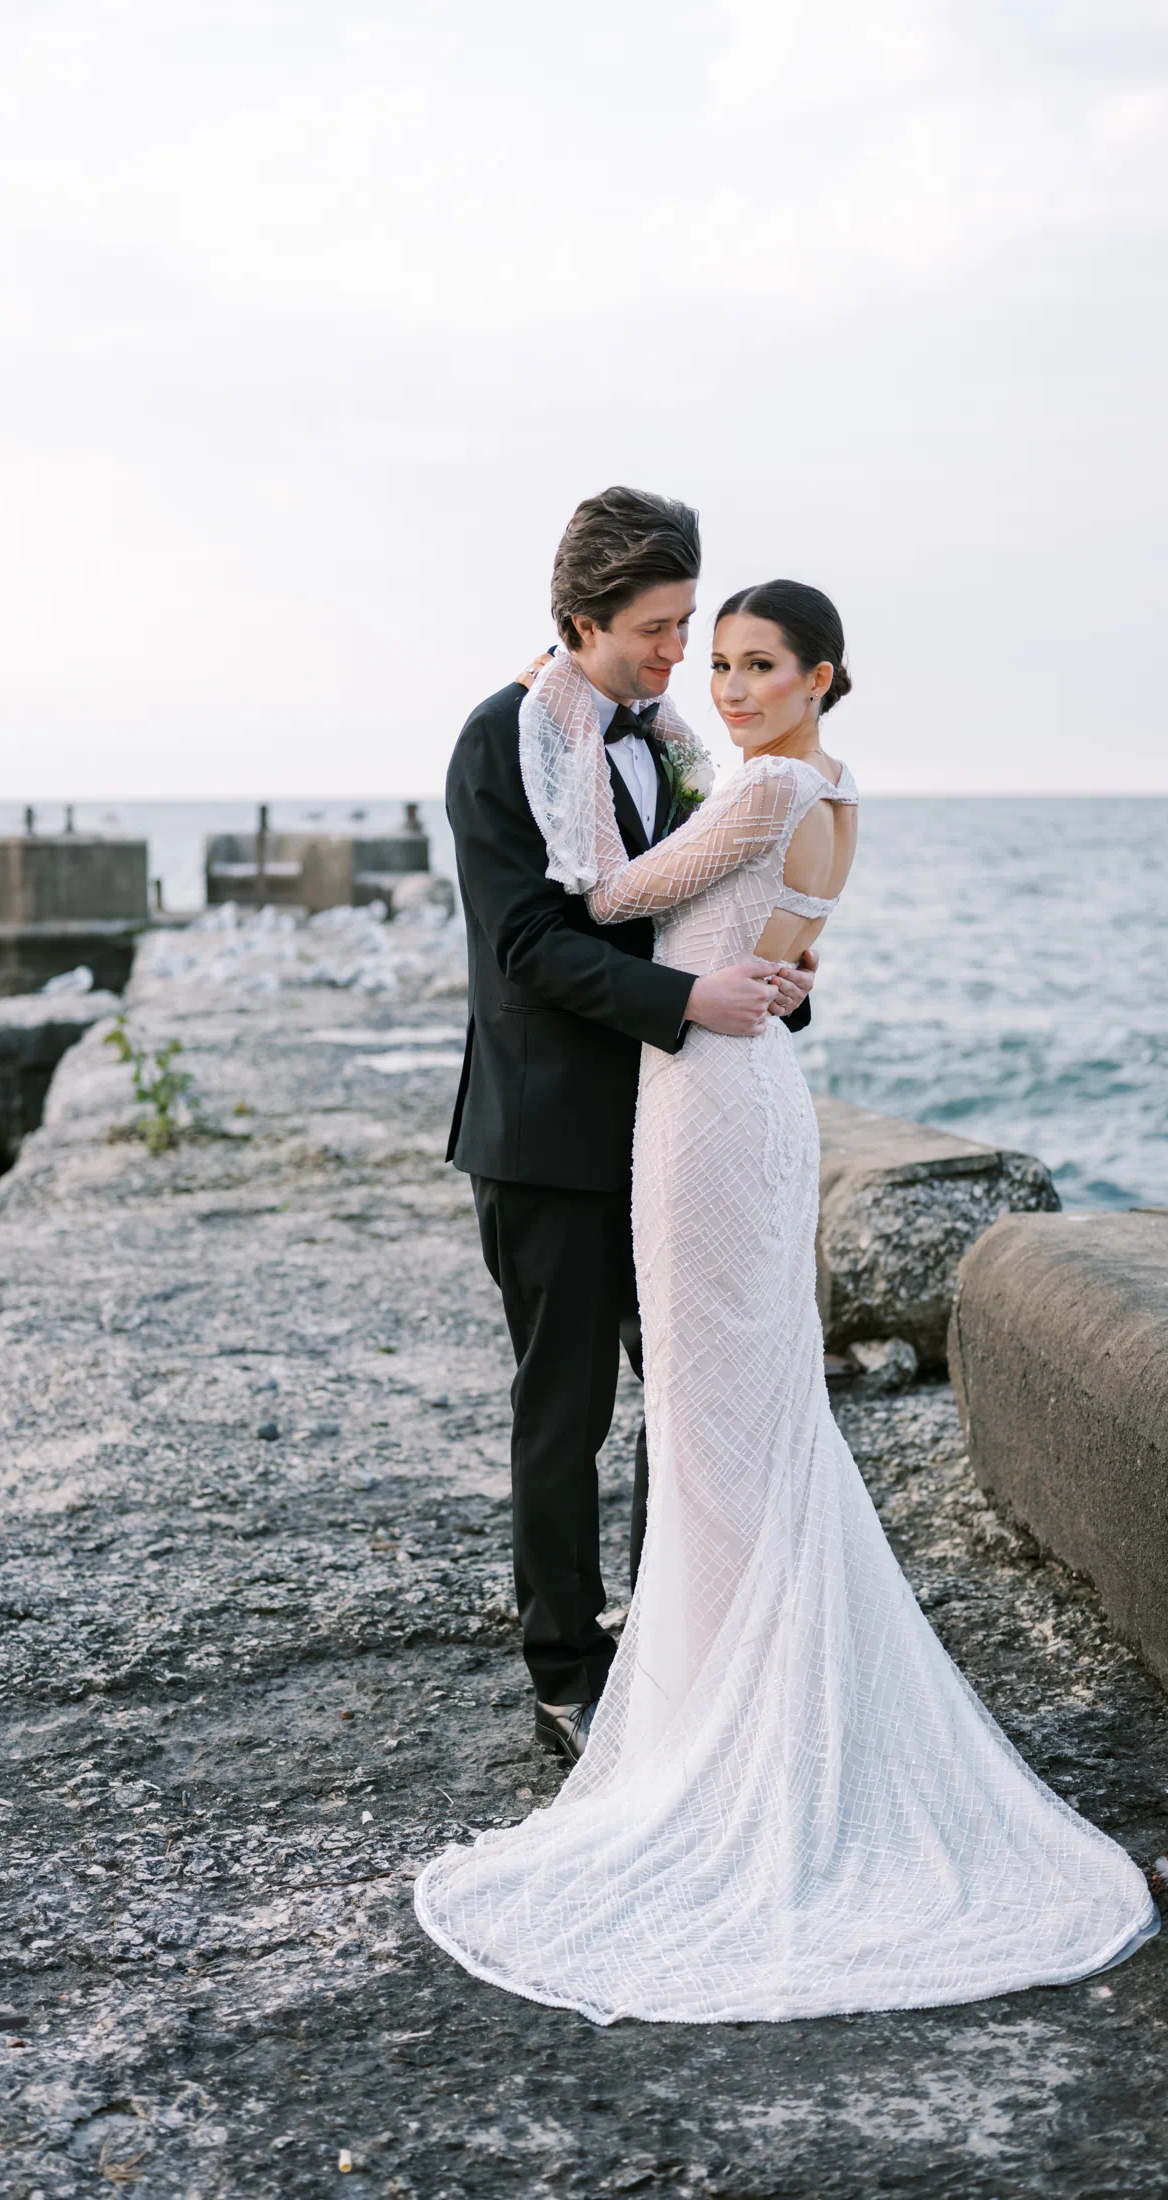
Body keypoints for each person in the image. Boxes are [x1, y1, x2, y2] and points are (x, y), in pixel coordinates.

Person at [416, 580, 1158, 2024]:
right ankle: (610, 1672)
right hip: (649, 1119)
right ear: (584, 616)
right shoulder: (732, 770)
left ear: (820, 673)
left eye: (741, 652)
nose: (708, 669)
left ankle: (718, 1699)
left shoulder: (735, 774)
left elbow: (619, 901)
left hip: (702, 1114)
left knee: (710, 1406)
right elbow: (643, 942)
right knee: (654, 1409)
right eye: (689, 638)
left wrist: (718, 939)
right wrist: (732, 965)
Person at [443, 487, 815, 1765]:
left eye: (687, 626)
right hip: (548, 1140)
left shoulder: (666, 746)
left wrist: (769, 985)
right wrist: (686, 997)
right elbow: (528, 944)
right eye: (656, 630)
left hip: (676, 1130)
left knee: (698, 1390)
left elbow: (694, 914)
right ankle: (567, 1673)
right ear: (583, 617)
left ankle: (683, 1645)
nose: (678, 658)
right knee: (567, 1410)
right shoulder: (504, 741)